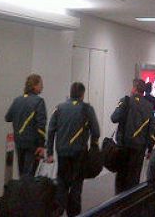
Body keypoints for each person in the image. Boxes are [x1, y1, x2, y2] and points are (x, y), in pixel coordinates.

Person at [45, 82, 100, 216]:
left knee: (62, 182)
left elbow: (51, 130)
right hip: (79, 153)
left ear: (70, 93)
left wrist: (50, 153)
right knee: (76, 184)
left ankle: (58, 211)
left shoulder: (59, 108)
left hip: (62, 152)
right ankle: (73, 213)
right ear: (82, 94)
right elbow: (96, 131)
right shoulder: (87, 109)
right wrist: (93, 146)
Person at [111, 78, 155, 193]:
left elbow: (114, 118)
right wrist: (150, 148)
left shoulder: (125, 101)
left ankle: (118, 202)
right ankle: (130, 204)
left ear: (134, 89)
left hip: (123, 145)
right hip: (139, 147)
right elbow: (151, 130)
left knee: (121, 176)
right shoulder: (149, 106)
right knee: (134, 176)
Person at [5, 73, 47, 176]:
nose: (42, 86)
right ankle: (27, 191)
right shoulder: (39, 101)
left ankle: (22, 191)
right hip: (32, 144)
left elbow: (8, 117)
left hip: (19, 142)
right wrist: (41, 145)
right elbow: (41, 126)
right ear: (34, 86)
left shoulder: (17, 100)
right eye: (40, 84)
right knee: (29, 174)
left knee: (22, 172)